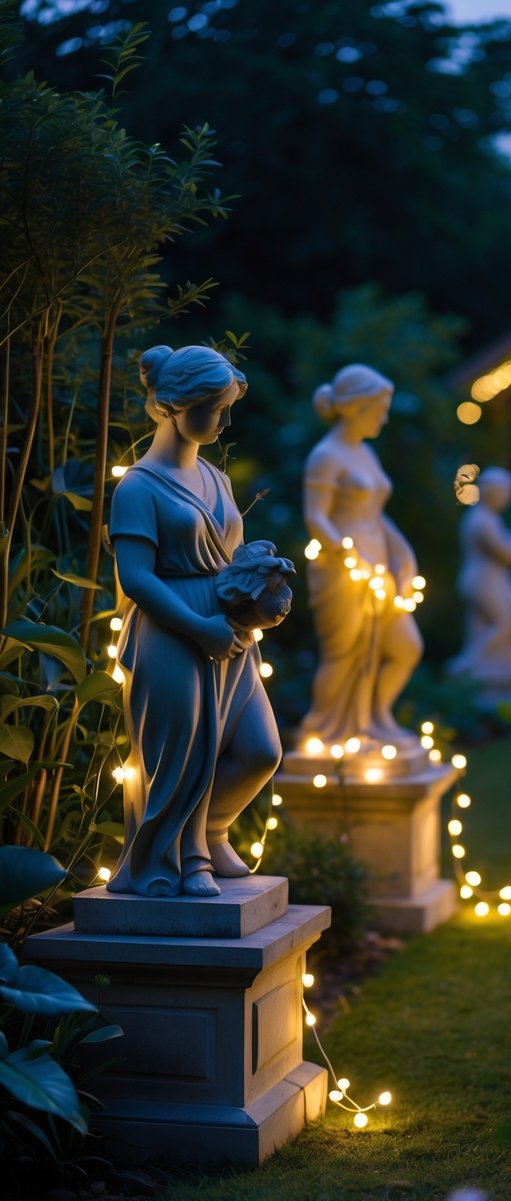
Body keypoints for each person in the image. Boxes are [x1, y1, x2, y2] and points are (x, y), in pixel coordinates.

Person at [106, 345, 282, 897]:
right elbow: (136, 578)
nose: (226, 420)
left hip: (229, 632)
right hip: (171, 631)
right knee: (178, 755)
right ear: (174, 406)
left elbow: (227, 558)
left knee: (260, 751)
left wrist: (257, 582)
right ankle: (172, 862)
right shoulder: (138, 486)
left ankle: (211, 831)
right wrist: (197, 626)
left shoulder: (216, 478)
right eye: (216, 407)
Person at [299, 364, 423, 747]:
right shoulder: (326, 455)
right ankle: (319, 729)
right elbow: (315, 516)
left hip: (379, 562)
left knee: (405, 648)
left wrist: (404, 554)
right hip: (343, 569)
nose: (384, 418)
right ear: (356, 407)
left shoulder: (365, 453)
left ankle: (374, 718)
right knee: (346, 653)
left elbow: (376, 513)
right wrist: (349, 556)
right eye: (379, 409)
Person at [448, 467, 511, 686]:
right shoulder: (481, 521)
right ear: (492, 492)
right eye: (505, 493)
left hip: (496, 579)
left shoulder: (489, 518)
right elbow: (505, 552)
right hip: (481, 580)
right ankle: (469, 663)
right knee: (504, 622)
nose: (507, 499)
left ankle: (506, 661)